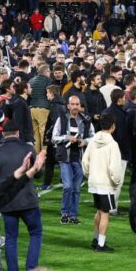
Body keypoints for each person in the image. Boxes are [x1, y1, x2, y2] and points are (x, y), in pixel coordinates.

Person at [0, 120, 42, 271]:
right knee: (36, 234)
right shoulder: (28, 148)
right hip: (28, 201)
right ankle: (31, 270)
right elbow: (39, 173)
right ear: (18, 133)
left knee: (11, 239)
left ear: (3, 134)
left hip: (7, 203)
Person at [82, 112, 124, 252]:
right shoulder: (113, 144)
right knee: (105, 213)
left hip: (94, 182)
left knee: (100, 211)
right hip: (105, 184)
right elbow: (115, 168)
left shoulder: (93, 141)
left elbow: (85, 161)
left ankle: (95, 240)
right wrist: (116, 182)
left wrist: (89, 175)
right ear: (113, 126)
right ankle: (100, 244)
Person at [52, 94, 94, 224]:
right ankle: (64, 213)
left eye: (77, 104)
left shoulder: (86, 120)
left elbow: (94, 137)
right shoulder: (62, 119)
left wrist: (85, 141)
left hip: (79, 159)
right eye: (73, 104)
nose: (75, 107)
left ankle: (73, 215)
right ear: (68, 106)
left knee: (76, 189)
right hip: (65, 158)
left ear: (80, 106)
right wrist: (67, 137)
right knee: (68, 187)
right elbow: (54, 138)